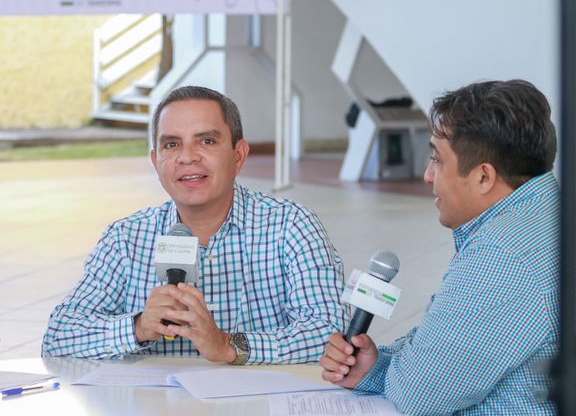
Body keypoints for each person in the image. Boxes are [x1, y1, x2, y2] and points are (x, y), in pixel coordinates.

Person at [43, 86, 346, 364]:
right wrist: (136, 327)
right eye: (172, 144)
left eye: (206, 141)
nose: (187, 157)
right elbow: (58, 337)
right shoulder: (126, 237)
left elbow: (333, 334)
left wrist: (228, 346)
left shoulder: (290, 226)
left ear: (238, 155)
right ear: (155, 160)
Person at [320, 80, 558, 414]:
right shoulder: (543, 216)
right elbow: (441, 347)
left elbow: (421, 395)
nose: (428, 175)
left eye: (437, 159)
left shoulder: (503, 257)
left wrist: (391, 372)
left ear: (483, 177)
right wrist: (378, 368)